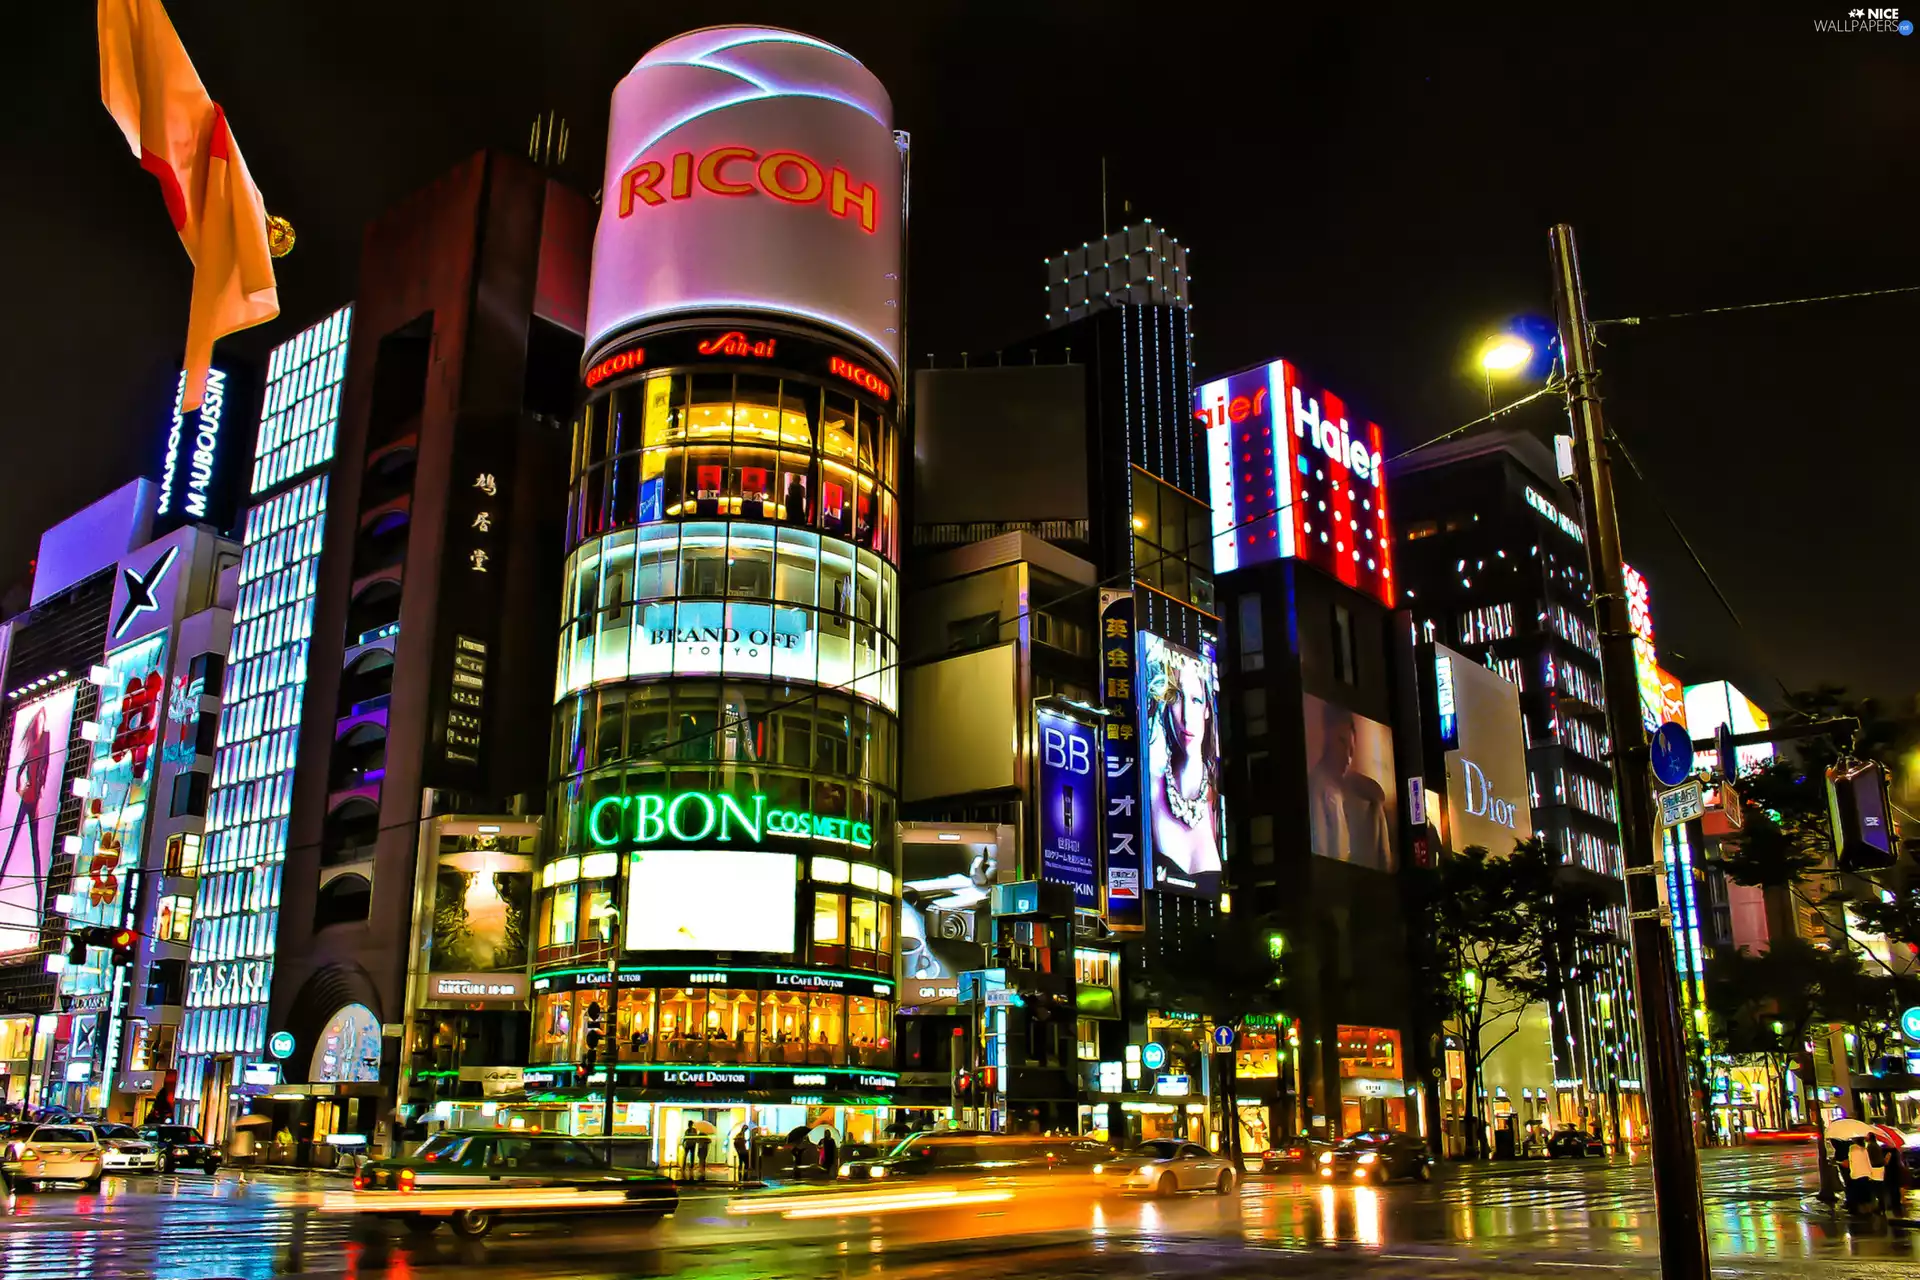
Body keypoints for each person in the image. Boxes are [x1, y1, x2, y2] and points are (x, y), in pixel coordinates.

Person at [1145, 646, 1222, 893]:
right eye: (1178, 699)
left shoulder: (1218, 800)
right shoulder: (1149, 786)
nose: (1187, 717)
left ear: (1207, 708)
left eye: (1196, 700)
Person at [1307, 702, 1392, 869]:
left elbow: (1378, 794)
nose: (1347, 759)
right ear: (1327, 736)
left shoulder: (1345, 783)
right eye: (1341, 743)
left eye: (1351, 751)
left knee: (1376, 807)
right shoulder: (1317, 787)